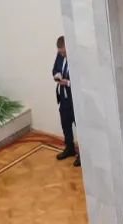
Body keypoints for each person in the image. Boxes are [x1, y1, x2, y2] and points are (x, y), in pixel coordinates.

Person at [52, 36, 79, 164]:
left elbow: (81, 79)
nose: (62, 55)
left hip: (74, 99)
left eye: (64, 52)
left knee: (79, 126)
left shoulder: (77, 58)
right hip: (63, 97)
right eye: (60, 52)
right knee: (65, 124)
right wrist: (56, 75)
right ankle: (69, 148)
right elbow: (55, 69)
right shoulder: (59, 56)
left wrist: (67, 83)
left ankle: (84, 155)